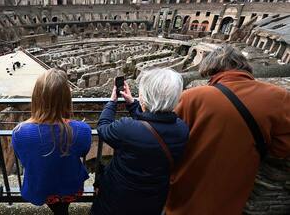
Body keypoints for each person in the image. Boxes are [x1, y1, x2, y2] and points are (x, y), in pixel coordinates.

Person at [165, 45, 290, 215]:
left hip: (188, 188)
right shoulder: (280, 97)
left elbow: (168, 140)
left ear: (211, 68)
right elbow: (282, 147)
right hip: (233, 191)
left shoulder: (191, 97)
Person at [91, 68, 189, 215]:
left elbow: (103, 128)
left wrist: (112, 103)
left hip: (118, 197)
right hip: (153, 199)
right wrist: (132, 104)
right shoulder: (181, 129)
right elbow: (151, 123)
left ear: (144, 98)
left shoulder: (127, 128)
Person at [12, 68, 91, 215]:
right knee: (62, 208)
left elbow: (22, 156)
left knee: (57, 207)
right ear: (67, 98)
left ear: (36, 98)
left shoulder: (19, 132)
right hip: (69, 183)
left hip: (42, 186)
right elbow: (84, 151)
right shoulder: (82, 130)